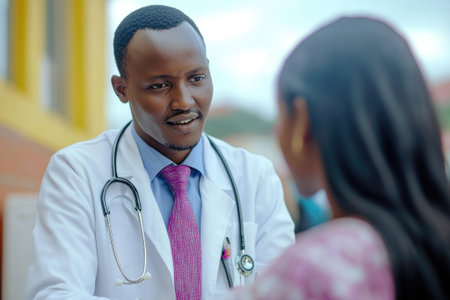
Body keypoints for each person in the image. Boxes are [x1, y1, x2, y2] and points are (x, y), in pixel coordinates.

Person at [26, 5, 294, 300]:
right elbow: (56, 293)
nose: (183, 101)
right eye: (160, 85)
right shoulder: (75, 173)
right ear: (121, 89)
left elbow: (286, 292)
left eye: (196, 78)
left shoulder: (256, 178)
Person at [227, 16, 450, 299]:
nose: (277, 130)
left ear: (302, 120)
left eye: (281, 114)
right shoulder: (433, 242)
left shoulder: (310, 271)